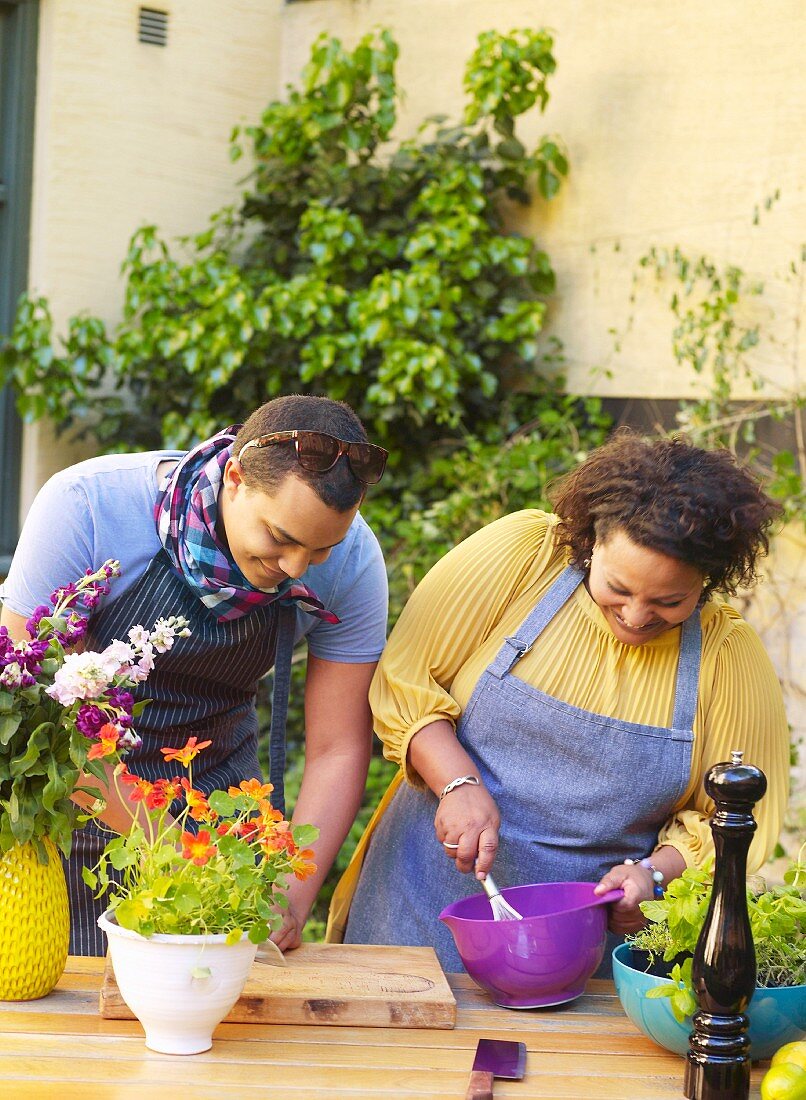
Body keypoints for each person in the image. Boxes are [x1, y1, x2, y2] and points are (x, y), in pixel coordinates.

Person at [331, 429, 790, 973]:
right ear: (593, 541)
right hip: (413, 914)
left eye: (670, 600)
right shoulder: (523, 558)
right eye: (618, 587)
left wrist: (656, 875)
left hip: (581, 959)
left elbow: (735, 820)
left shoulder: (726, 656)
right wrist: (457, 782)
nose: (638, 616)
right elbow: (405, 679)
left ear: (709, 579)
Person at [0, 394, 389, 956]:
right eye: (280, 538)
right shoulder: (86, 507)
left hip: (217, 812)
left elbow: (336, 749)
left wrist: (287, 896)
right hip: (63, 814)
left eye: (319, 550)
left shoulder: (353, 562)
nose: (295, 569)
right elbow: (35, 711)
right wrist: (179, 857)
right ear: (234, 476)